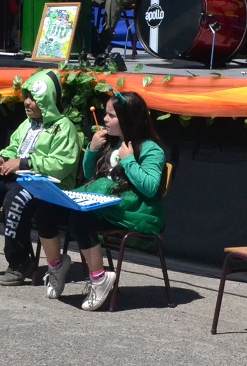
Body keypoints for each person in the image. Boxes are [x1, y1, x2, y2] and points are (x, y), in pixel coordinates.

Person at [0, 69, 81, 285]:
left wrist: (24, 162)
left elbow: (62, 165)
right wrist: (2, 159)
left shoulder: (64, 128)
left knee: (16, 198)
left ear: (47, 100)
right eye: (26, 96)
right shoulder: (27, 124)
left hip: (47, 187)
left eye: (33, 98)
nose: (27, 102)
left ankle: (20, 261)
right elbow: (13, 148)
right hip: (18, 180)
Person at [36, 91, 166, 311]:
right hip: (102, 203)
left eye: (111, 115)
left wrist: (129, 161)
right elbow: (91, 176)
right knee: (45, 207)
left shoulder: (151, 149)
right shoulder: (112, 143)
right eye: (105, 114)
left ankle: (99, 278)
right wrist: (92, 151)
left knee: (80, 216)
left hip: (129, 212)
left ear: (128, 119)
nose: (105, 119)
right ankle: (56, 265)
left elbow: (151, 187)